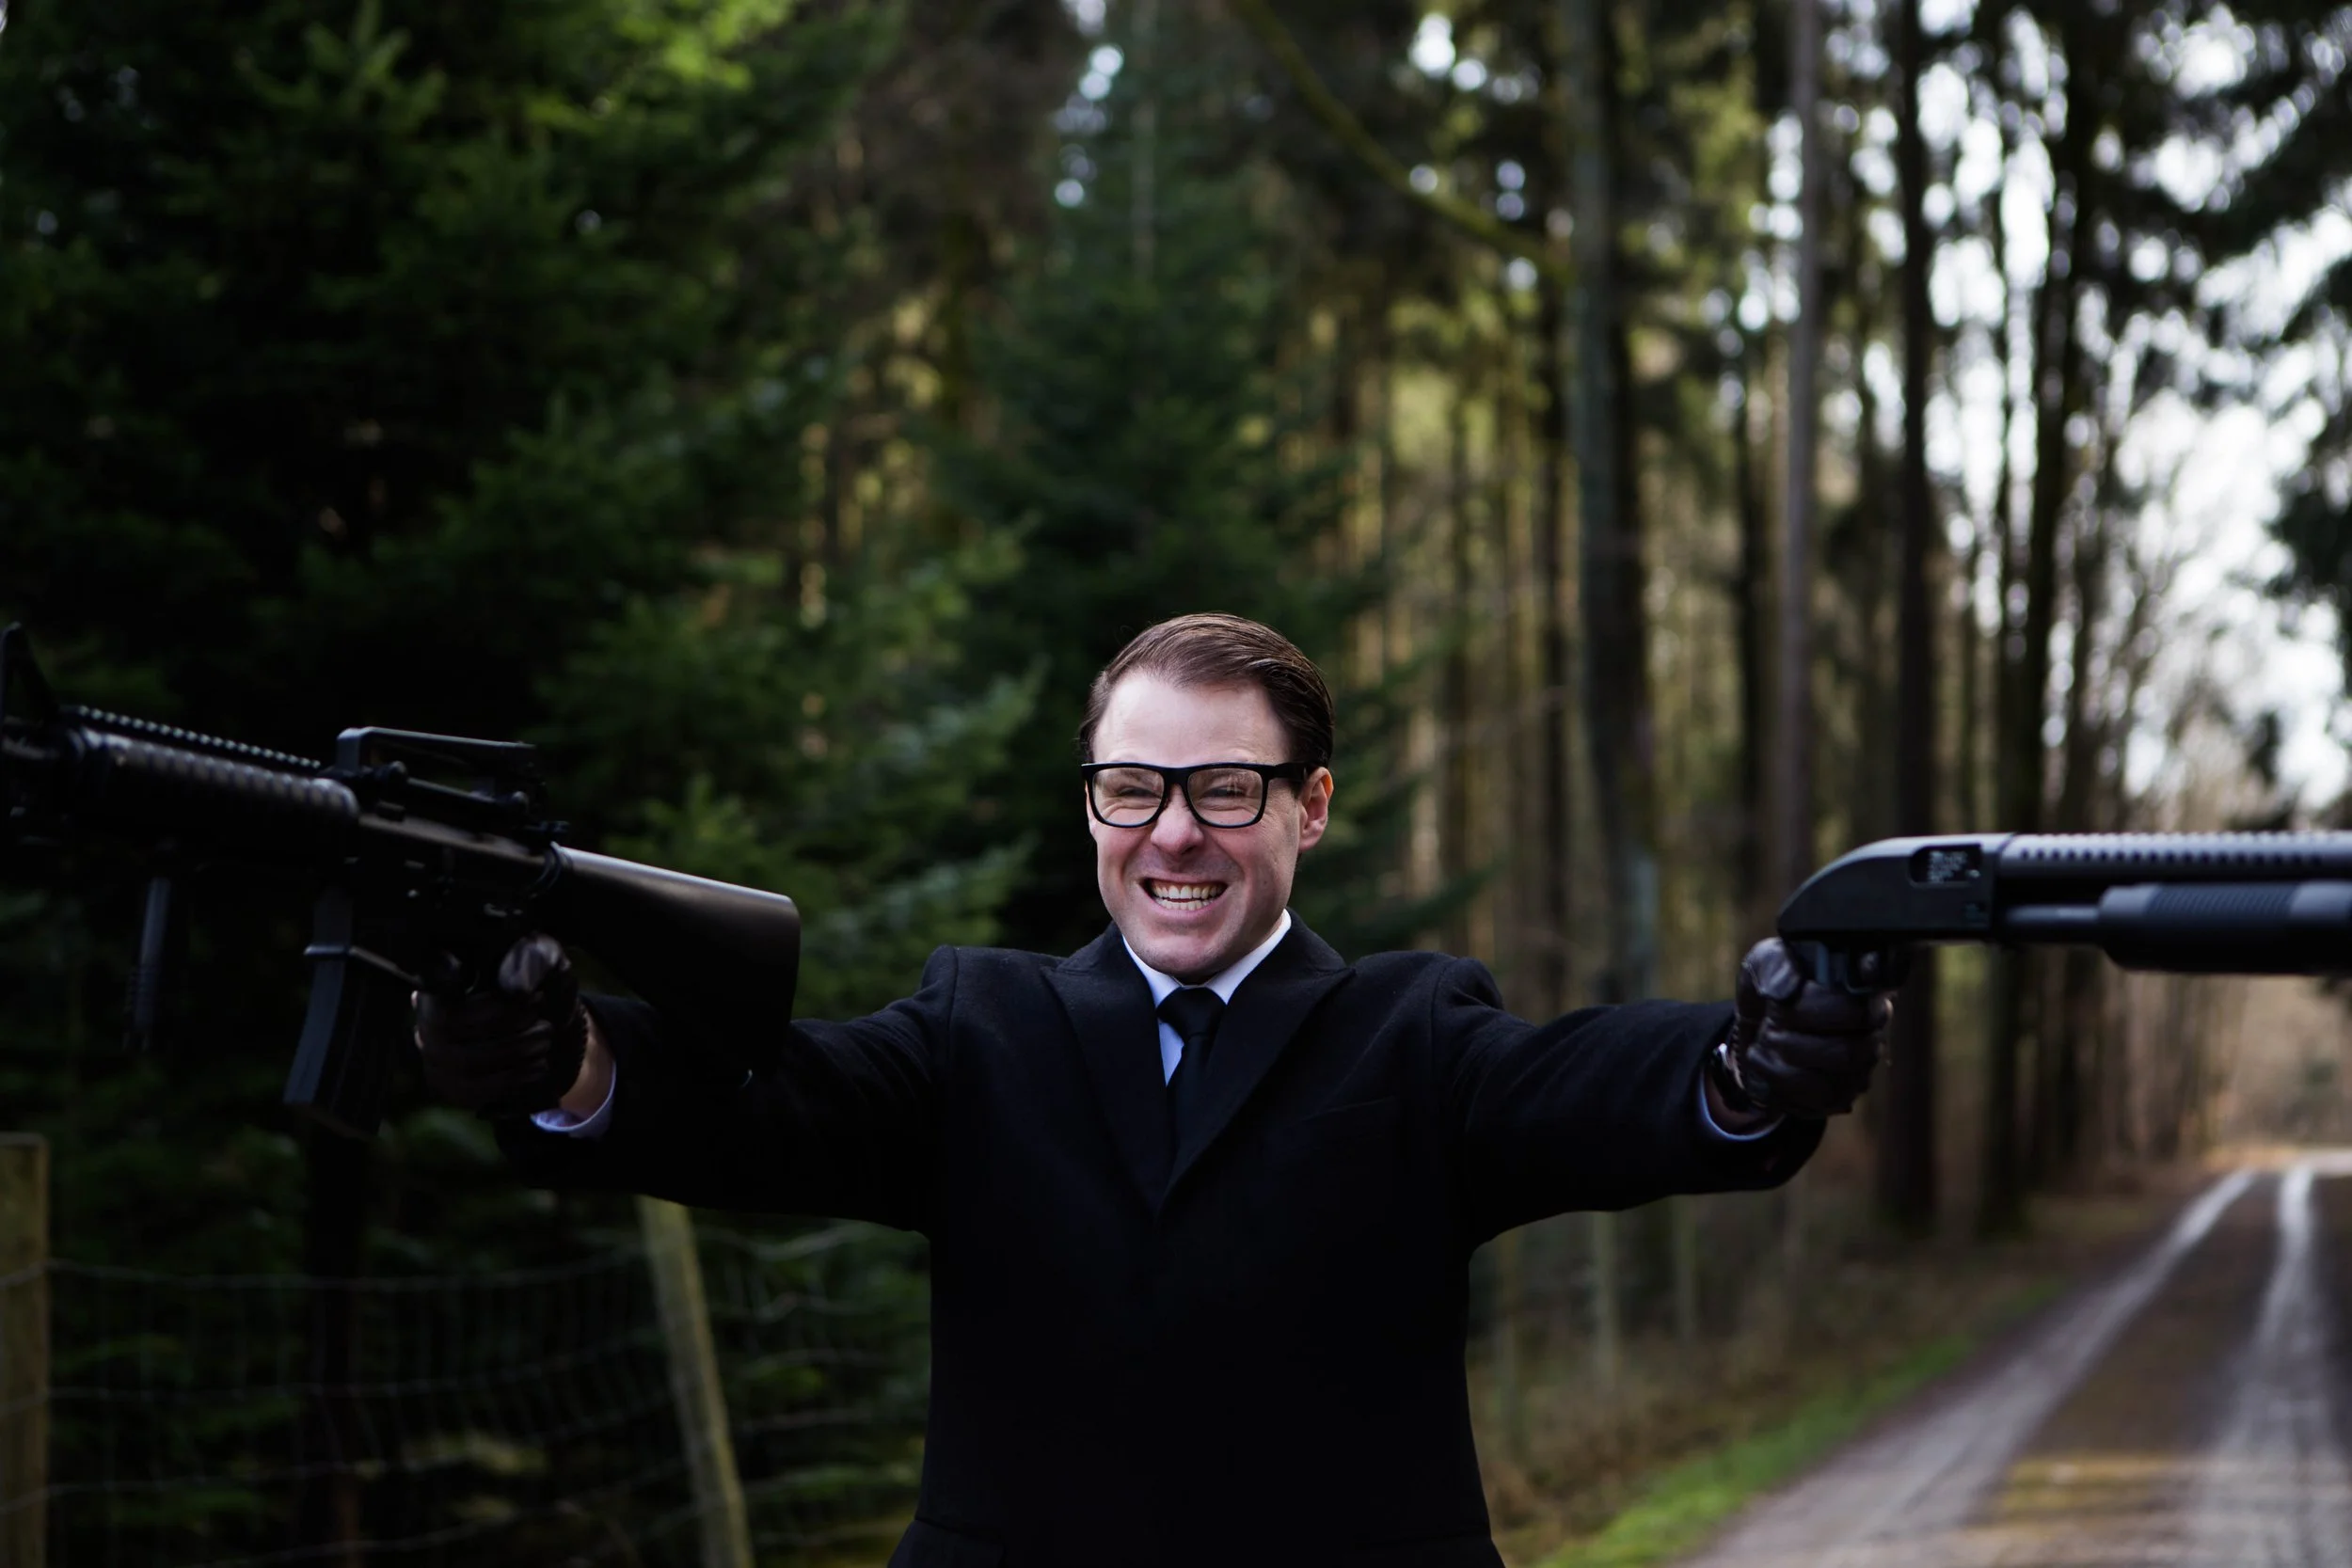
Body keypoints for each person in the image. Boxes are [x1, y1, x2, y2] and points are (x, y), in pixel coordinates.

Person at [418, 612, 1890, 1568]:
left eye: (1224, 788)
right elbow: (770, 1105)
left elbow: (1594, 1085)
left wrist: (1748, 1065)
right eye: (1134, 787)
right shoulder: (979, 1026)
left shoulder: (1414, 1031)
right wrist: (561, 1054)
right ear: (1093, 805)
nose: (1174, 834)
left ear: (1311, 806)